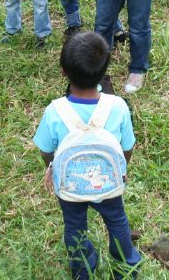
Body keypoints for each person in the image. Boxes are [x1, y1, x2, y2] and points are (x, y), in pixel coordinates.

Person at [33, 31, 141, 279]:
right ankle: (126, 266)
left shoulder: (54, 111)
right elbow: (128, 147)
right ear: (104, 71)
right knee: (117, 222)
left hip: (70, 186)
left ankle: (83, 269)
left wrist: (53, 168)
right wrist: (121, 169)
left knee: (74, 227)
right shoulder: (118, 106)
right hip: (109, 183)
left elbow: (46, 150)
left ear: (63, 71)